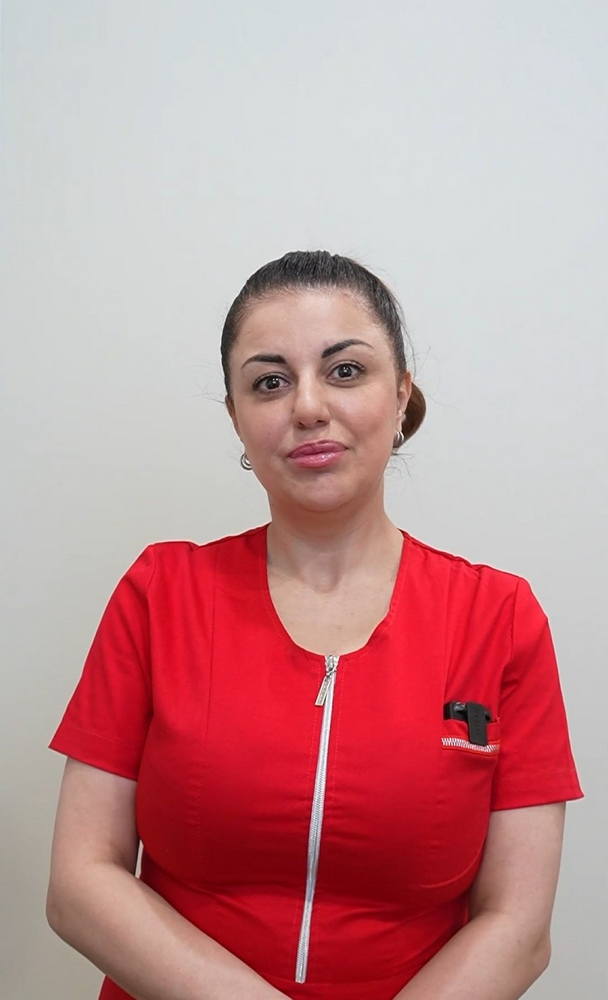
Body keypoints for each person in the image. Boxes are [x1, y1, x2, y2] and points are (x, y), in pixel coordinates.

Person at [46, 250, 584, 1000]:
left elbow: (517, 928)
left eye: (345, 371)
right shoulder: (159, 594)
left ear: (401, 394)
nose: (307, 406)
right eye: (269, 382)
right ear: (237, 418)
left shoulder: (500, 617)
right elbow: (80, 883)